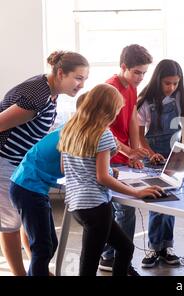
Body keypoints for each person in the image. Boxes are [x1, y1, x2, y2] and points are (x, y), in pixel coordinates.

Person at [58, 83, 165, 276]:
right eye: (117, 110)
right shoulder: (103, 134)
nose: (117, 114)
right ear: (108, 110)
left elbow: (64, 168)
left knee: (124, 248)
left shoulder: (70, 129)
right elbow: (102, 177)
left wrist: (107, 169)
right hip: (96, 207)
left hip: (76, 205)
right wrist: (136, 192)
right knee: (90, 264)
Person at [0, 51, 89, 275]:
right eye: (78, 78)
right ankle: (20, 274)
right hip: (5, 161)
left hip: (19, 164)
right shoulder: (38, 96)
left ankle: (37, 268)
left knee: (25, 218)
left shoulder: (49, 91)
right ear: (61, 73)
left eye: (84, 79)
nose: (81, 84)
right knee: (10, 224)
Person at [100, 44, 153, 275]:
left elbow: (132, 117)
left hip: (122, 155)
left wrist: (134, 149)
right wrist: (126, 151)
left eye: (144, 73)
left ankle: (111, 255)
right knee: (124, 210)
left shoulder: (131, 87)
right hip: (108, 155)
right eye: (137, 72)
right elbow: (102, 129)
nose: (141, 77)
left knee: (121, 209)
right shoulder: (109, 89)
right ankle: (117, 258)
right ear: (123, 67)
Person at [137, 59, 184, 268]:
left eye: (175, 83)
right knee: (156, 201)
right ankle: (153, 247)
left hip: (173, 153)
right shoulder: (144, 102)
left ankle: (166, 246)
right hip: (153, 157)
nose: (171, 88)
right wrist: (150, 153)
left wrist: (183, 148)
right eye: (167, 83)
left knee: (169, 202)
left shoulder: (180, 97)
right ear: (158, 80)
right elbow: (140, 136)